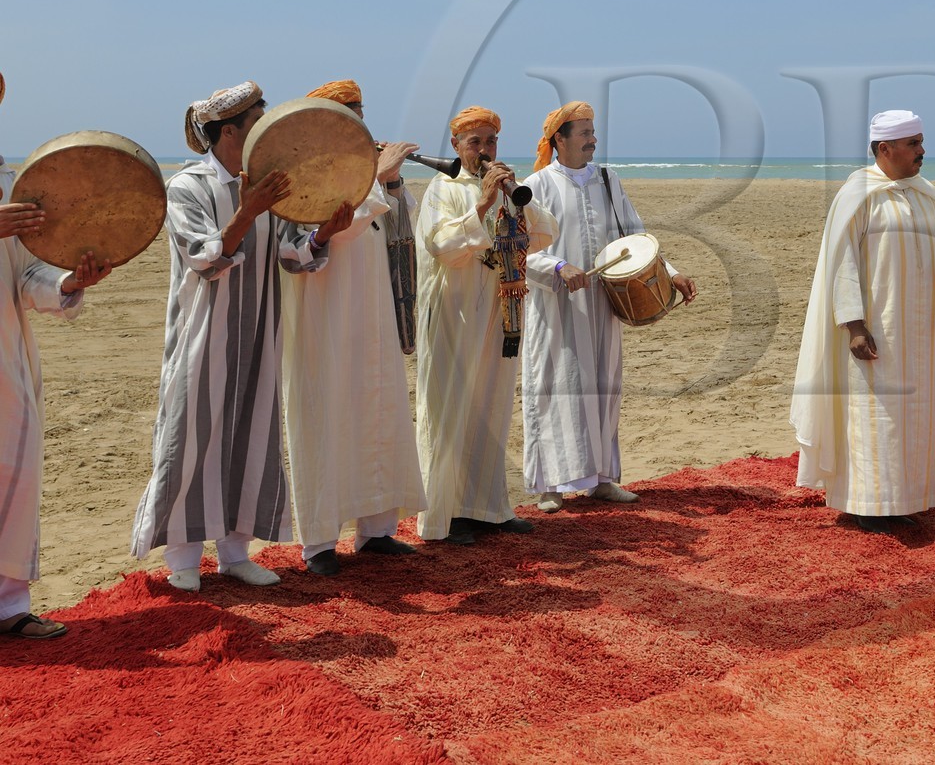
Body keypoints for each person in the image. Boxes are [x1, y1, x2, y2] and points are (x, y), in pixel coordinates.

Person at [131, 82, 353, 591]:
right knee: (193, 438)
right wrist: (249, 209)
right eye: (257, 121)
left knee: (251, 435)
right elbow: (204, 258)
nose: (266, 129)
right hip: (202, 335)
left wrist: (324, 233)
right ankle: (184, 560)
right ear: (229, 131)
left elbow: (293, 253)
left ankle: (235, 553)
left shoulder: (270, 184)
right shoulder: (187, 186)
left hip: (258, 331)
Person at [280, 80, 428, 576]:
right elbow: (308, 243)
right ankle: (320, 542)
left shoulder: (366, 171)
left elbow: (397, 229)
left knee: (378, 409)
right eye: (348, 112)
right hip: (326, 316)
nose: (360, 121)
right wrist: (376, 179)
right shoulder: (302, 173)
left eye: (360, 111)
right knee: (326, 418)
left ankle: (377, 530)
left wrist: (391, 183)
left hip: (375, 314)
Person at [792, 110, 935, 532]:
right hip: (876, 329)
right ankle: (869, 505)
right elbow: (842, 263)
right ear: (885, 149)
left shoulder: (925, 193)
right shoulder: (858, 194)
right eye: (913, 144)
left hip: (917, 332)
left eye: (921, 141)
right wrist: (854, 325)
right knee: (875, 414)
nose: (922, 151)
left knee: (913, 414)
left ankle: (904, 500)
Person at [521, 102, 696, 514]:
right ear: (559, 139)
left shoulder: (607, 179)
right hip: (557, 307)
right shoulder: (535, 185)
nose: (593, 140)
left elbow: (634, 238)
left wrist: (670, 273)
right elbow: (519, 249)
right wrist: (557, 267)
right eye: (584, 132)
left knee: (604, 385)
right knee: (557, 386)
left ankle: (601, 479)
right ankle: (551, 486)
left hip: (603, 302)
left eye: (592, 131)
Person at [414, 106, 555, 545]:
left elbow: (545, 233)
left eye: (490, 141)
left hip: (499, 309)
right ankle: (448, 514)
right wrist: (482, 204)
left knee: (491, 405)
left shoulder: (507, 186)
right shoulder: (442, 188)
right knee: (451, 406)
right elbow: (442, 246)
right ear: (456, 146)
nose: (484, 149)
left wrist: (514, 197)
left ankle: (488, 509)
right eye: (474, 142)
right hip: (455, 311)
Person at [0, 134, 111, 638]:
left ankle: (9, 604)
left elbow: (26, 274)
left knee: (14, 474)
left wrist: (69, 282)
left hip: (7, 357)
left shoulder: (10, 183)